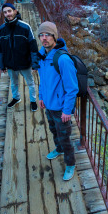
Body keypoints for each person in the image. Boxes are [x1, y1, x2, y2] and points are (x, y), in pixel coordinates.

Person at [37, 21, 78, 181]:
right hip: (49, 104)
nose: (44, 38)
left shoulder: (62, 59)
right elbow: (42, 79)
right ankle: (59, 149)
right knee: (54, 130)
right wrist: (41, 96)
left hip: (61, 108)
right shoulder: (42, 55)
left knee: (65, 137)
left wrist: (67, 110)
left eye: (47, 34)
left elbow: (72, 88)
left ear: (54, 36)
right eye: (41, 35)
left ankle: (70, 164)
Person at [0, 3, 39, 111]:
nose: (7, 14)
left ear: (15, 11)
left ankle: (33, 101)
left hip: (25, 62)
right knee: (13, 83)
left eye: (9, 11)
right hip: (10, 63)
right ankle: (16, 98)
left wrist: (35, 63)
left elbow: (33, 46)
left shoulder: (25, 27)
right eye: (5, 12)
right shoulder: (1, 30)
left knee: (30, 83)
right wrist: (2, 65)